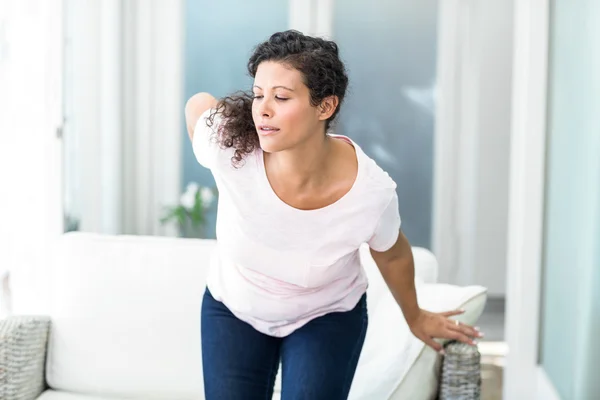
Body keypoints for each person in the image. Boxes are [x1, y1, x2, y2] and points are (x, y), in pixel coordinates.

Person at [185, 30, 483, 400]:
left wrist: (415, 315)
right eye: (259, 94)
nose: (262, 108)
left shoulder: (370, 192)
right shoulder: (230, 149)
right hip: (233, 307)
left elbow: (391, 253)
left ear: (325, 107)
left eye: (280, 97)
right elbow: (197, 105)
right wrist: (226, 117)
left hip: (325, 316)